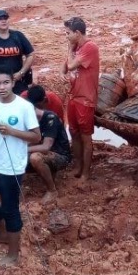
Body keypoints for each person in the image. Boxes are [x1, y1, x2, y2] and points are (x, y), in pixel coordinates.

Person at [0, 70, 41, 267]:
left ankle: (13, 254)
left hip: (11, 167)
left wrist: (12, 131)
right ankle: (4, 233)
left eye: (6, 82)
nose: (2, 87)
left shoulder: (24, 107)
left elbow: (36, 137)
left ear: (13, 83)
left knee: (10, 208)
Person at [60, 16, 100, 181]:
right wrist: (62, 73)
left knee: (85, 136)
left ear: (77, 32)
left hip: (85, 98)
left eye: (68, 33)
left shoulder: (89, 47)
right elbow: (64, 68)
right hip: (73, 96)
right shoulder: (77, 48)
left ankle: (86, 172)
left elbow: (70, 66)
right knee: (73, 132)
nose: (66, 36)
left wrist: (69, 49)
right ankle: (77, 167)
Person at [25, 85, 72, 202]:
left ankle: (52, 190)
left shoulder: (50, 118)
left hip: (60, 154)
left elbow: (46, 147)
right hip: (43, 152)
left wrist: (24, 149)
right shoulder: (30, 118)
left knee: (35, 158)